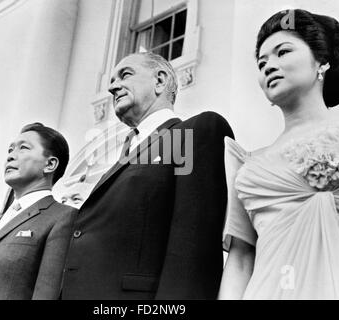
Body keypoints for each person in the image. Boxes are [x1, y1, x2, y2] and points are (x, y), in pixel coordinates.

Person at [62, 52, 234, 299]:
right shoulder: (124, 156)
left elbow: (193, 253)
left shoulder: (192, 134)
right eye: (111, 80)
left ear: (160, 81)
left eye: (125, 75)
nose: (112, 87)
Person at [219, 9, 339, 299]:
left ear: (321, 62)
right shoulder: (246, 164)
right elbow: (241, 259)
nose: (269, 66)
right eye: (262, 62)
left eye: (282, 52)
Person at [0, 123, 77, 300]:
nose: (11, 156)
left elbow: (47, 292)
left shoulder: (63, 218)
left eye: (23, 148)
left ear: (50, 164)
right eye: (10, 149)